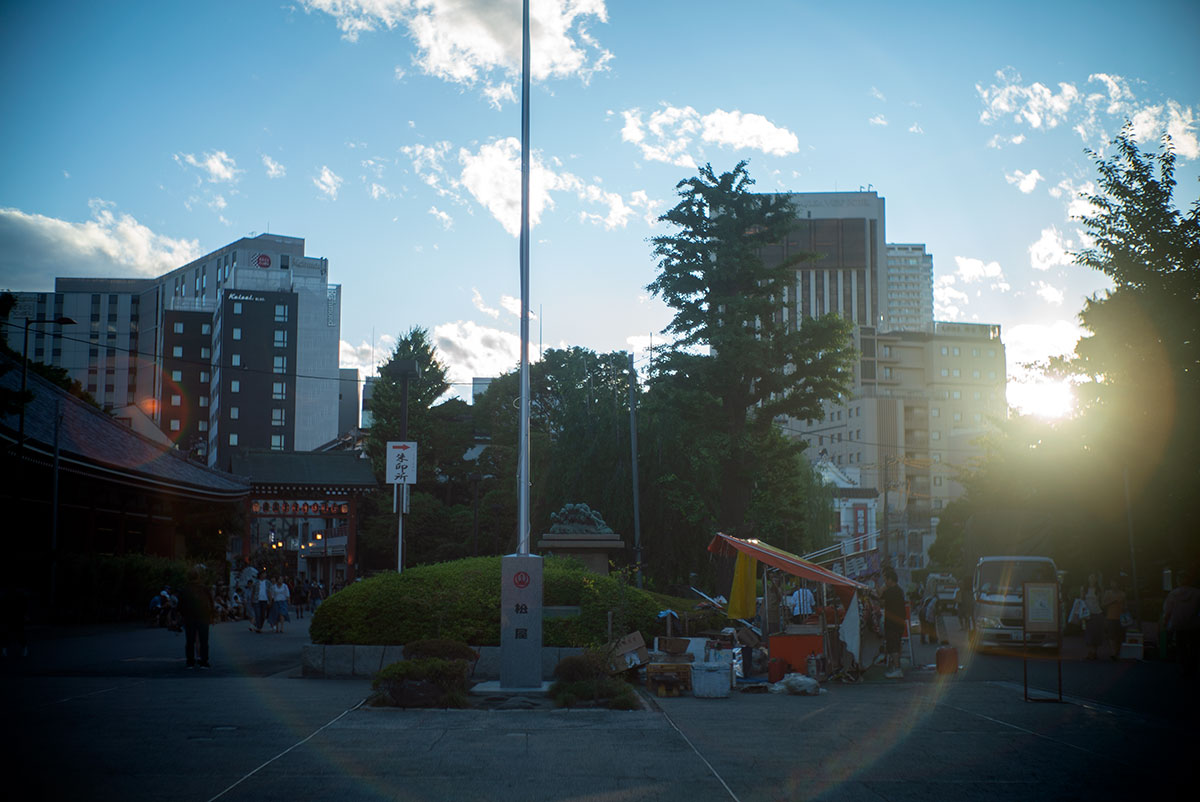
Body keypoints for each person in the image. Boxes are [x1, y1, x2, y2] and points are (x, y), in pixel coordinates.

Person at [1163, 569, 1200, 679]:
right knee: (1194, 646)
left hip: (1178, 625)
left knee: (1181, 647)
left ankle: (1184, 668)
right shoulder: (1197, 593)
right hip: (1194, 625)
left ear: (1178, 581)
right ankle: (1193, 666)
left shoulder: (1173, 594)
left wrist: (1165, 623)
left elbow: (1167, 611)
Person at [177, 566, 213, 669]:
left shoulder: (184, 590)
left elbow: (180, 606)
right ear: (198, 577)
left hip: (189, 618)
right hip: (203, 617)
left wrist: (182, 616)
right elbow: (210, 602)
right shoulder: (204, 589)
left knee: (190, 640)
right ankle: (204, 661)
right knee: (204, 640)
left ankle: (190, 662)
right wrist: (211, 615)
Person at [881, 567, 906, 679]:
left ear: (890, 579)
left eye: (885, 579)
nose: (885, 582)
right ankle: (897, 667)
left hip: (892, 623)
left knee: (893, 646)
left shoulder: (890, 591)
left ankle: (897, 669)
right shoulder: (899, 590)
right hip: (899, 622)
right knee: (896, 644)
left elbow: (879, 598)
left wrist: (879, 586)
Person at [1101, 579, 1127, 661]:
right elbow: (1103, 604)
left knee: (1119, 636)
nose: (1114, 584)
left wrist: (1124, 608)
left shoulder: (1122, 594)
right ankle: (1114, 652)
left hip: (1121, 617)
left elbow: (1125, 605)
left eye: (1115, 583)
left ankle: (1117, 651)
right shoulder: (1108, 593)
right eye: (1112, 583)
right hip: (1110, 617)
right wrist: (1113, 601)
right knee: (1111, 636)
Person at [1083, 574, 1104, 660]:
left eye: (1093, 578)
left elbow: (1101, 601)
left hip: (1097, 612)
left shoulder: (1099, 590)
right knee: (1089, 633)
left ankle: (1094, 652)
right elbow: (1081, 600)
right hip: (1088, 614)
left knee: (1096, 633)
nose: (1092, 579)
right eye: (1090, 577)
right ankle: (1090, 652)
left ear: (1096, 580)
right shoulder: (1084, 589)